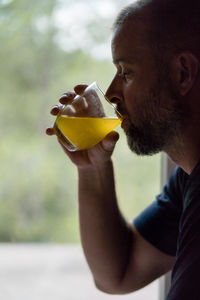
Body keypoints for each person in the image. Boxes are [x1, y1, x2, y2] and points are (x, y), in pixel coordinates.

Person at [46, 0, 200, 298]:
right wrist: (92, 168)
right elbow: (118, 273)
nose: (112, 93)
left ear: (183, 73)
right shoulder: (187, 178)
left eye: (125, 72)